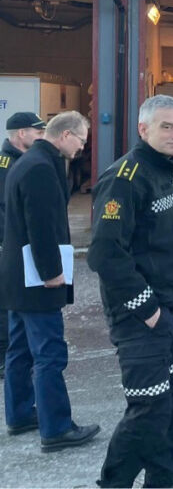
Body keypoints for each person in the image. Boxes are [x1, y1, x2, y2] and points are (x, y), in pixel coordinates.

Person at [88, 95, 173, 488]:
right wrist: (148, 309)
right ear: (143, 128)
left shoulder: (171, 173)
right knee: (149, 407)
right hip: (142, 318)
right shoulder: (124, 178)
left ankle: (163, 480)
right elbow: (104, 253)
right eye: (167, 126)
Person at [0, 110, 99, 451]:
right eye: (82, 140)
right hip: (37, 278)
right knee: (49, 353)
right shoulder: (41, 168)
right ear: (65, 135)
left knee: (19, 348)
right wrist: (51, 273)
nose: (82, 148)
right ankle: (56, 428)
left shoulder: (25, 163)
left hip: (16, 277)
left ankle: (20, 414)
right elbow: (40, 226)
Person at [0, 111, 46, 380]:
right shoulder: (6, 164)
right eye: (37, 132)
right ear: (21, 134)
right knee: (6, 303)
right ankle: (6, 357)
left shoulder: (21, 160)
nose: (41, 137)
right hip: (6, 245)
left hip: (13, 245)